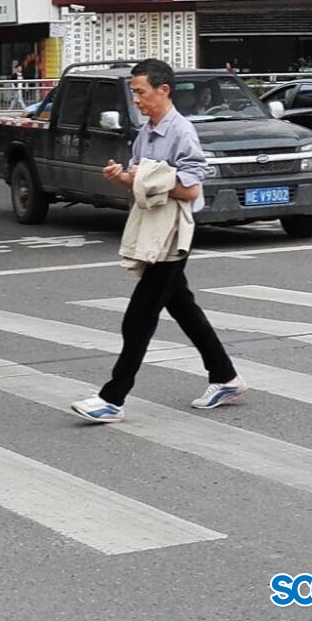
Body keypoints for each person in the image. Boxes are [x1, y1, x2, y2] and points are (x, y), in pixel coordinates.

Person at [70, 58, 247, 422]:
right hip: (153, 229)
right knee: (183, 306)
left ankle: (112, 398)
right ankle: (225, 376)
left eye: (140, 92)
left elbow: (192, 188)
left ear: (163, 90)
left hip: (173, 233)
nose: (136, 99)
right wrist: (122, 177)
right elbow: (141, 182)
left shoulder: (181, 132)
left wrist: (151, 180)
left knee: (139, 318)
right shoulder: (147, 131)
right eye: (133, 93)